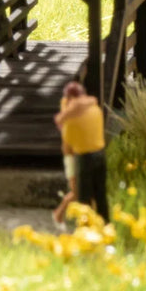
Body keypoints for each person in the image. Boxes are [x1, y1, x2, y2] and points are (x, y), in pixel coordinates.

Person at [54, 81, 108, 221]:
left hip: (84, 158)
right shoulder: (96, 109)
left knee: (83, 199)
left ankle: (85, 230)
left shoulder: (71, 120)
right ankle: (106, 225)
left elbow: (68, 145)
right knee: (100, 196)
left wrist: (64, 115)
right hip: (100, 155)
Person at [51, 83, 80, 226]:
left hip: (76, 159)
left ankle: (64, 215)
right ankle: (59, 214)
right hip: (74, 161)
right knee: (76, 192)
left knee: (81, 191)